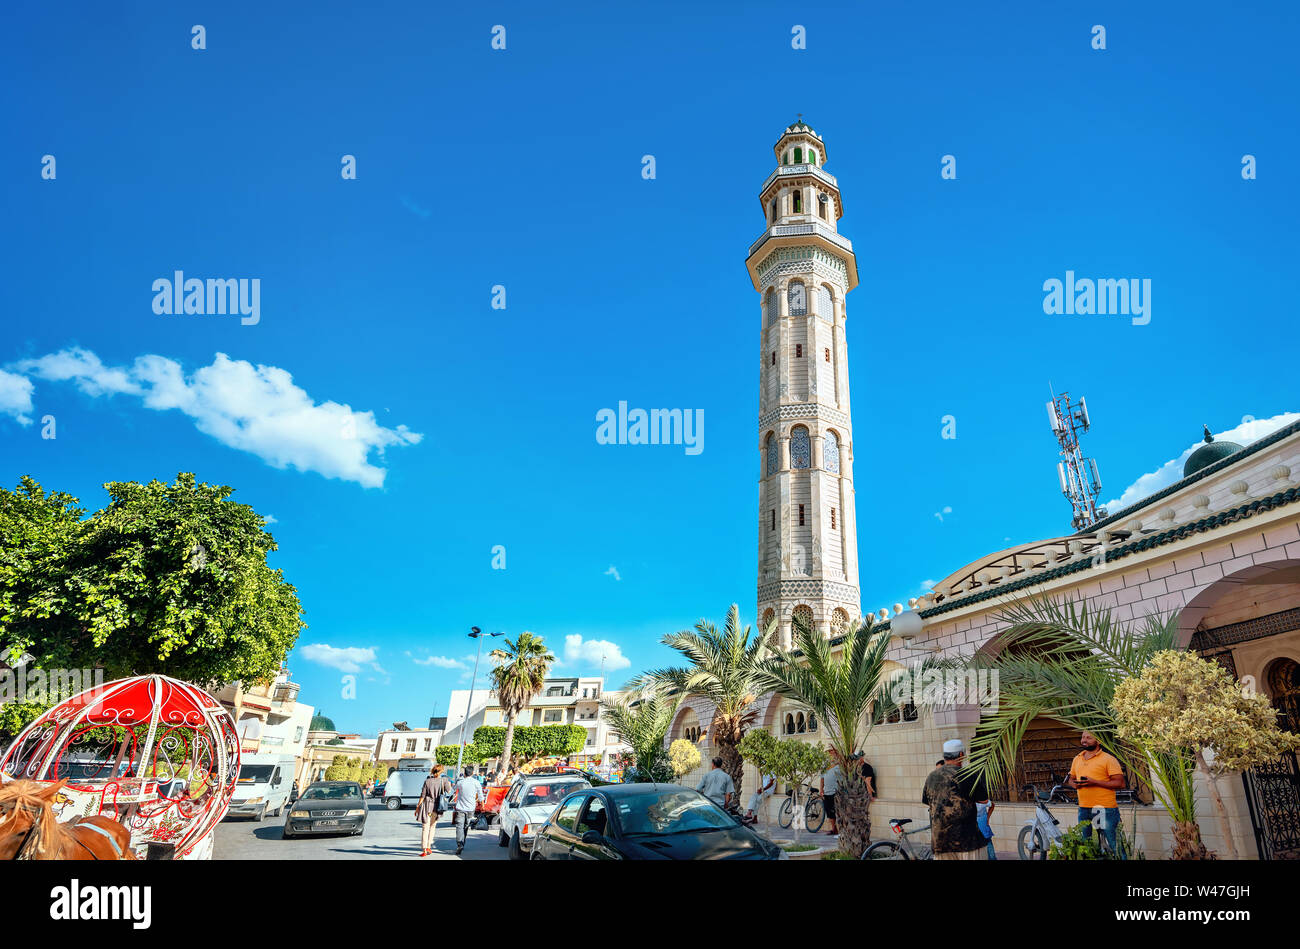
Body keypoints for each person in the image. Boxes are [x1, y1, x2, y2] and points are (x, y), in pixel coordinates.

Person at [920, 739, 987, 860]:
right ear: (961, 755)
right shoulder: (967, 775)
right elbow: (984, 800)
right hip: (966, 841)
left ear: (945, 756)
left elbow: (927, 801)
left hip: (940, 842)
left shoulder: (931, 777)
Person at [1068, 730, 1126, 857]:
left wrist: (1095, 782)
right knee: (1088, 845)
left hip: (1105, 808)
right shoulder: (1077, 759)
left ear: (1098, 741)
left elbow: (1120, 783)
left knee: (1114, 844)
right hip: (1084, 808)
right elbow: (1070, 779)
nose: (1084, 740)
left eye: (1089, 738)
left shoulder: (1108, 759)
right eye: (1083, 737)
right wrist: (1075, 784)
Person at [415, 764, 452, 857]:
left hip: (427, 806)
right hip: (436, 807)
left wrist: (418, 807)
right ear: (441, 772)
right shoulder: (444, 780)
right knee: (432, 827)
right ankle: (428, 846)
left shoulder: (427, 781)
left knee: (425, 827)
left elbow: (422, 795)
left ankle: (424, 849)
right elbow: (449, 791)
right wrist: (449, 784)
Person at [452, 765, 484, 856]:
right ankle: (462, 842)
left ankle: (459, 844)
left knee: (459, 826)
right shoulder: (476, 782)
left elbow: (453, 789)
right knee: (466, 826)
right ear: (472, 773)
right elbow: (481, 796)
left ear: (465, 773)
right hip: (471, 809)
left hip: (460, 808)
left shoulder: (460, 782)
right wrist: (482, 806)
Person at [820, 756, 842, 836]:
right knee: (829, 813)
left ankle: (840, 830)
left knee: (837, 812)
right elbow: (822, 779)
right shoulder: (824, 768)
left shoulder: (838, 767)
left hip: (835, 793)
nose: (830, 755)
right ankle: (834, 829)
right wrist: (821, 789)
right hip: (826, 792)